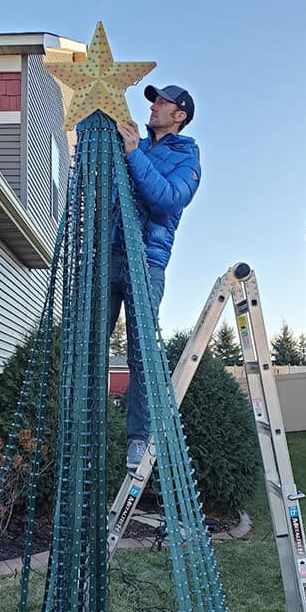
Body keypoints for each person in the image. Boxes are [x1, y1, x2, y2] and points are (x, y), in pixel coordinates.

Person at [110, 84, 201, 470]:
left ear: (179, 115)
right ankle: (81, 428)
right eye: (153, 100)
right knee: (88, 343)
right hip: (109, 255)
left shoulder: (187, 155)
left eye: (162, 102)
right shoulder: (138, 144)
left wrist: (132, 154)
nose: (154, 106)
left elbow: (167, 200)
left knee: (141, 350)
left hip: (147, 260)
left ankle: (139, 438)